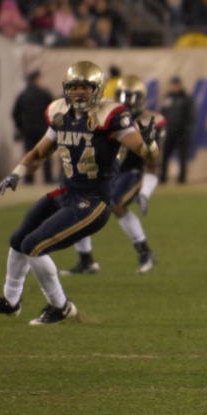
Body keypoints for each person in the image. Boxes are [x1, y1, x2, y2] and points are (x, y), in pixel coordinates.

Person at [0, 61, 160, 325]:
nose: (78, 93)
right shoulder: (59, 112)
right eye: (74, 87)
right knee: (18, 239)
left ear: (97, 90)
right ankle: (10, 301)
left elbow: (146, 154)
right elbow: (39, 153)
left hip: (94, 201)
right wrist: (16, 174)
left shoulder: (110, 116)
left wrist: (150, 144)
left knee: (33, 246)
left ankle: (60, 306)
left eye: (85, 87)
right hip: (66, 192)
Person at [62, 75, 166, 275]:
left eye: (133, 97)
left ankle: (145, 252)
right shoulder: (109, 114)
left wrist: (145, 192)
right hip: (106, 171)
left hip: (131, 171)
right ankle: (86, 261)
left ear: (142, 98)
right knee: (79, 203)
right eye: (123, 95)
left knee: (117, 205)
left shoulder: (149, 120)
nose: (127, 101)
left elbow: (153, 164)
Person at [12, 70, 55, 185]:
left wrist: (21, 127)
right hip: (43, 129)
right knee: (45, 154)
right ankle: (48, 179)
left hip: (28, 130)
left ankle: (28, 180)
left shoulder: (23, 95)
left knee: (29, 154)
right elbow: (55, 109)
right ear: (36, 80)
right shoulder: (44, 93)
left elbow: (15, 113)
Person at [160, 76, 196, 184]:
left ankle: (182, 179)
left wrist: (187, 131)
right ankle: (163, 178)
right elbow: (162, 114)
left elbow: (191, 116)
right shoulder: (167, 98)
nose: (174, 87)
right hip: (170, 132)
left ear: (180, 85)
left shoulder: (186, 99)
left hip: (182, 133)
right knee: (165, 155)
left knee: (182, 157)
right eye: (173, 85)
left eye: (176, 85)